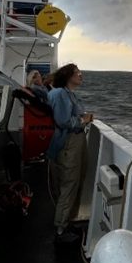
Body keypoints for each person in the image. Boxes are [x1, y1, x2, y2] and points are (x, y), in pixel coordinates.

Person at [46, 63, 93, 244]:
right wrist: (84, 119)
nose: (81, 75)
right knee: (69, 184)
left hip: (72, 142)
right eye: (77, 73)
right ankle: (61, 229)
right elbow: (63, 121)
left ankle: (66, 221)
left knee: (72, 182)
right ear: (68, 76)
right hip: (69, 143)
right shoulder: (60, 94)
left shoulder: (66, 94)